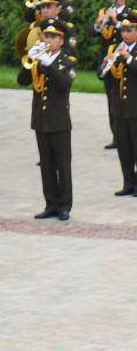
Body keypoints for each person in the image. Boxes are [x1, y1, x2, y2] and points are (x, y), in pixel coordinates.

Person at [18, 18, 76, 221]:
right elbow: (21, 81)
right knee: (47, 165)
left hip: (59, 121)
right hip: (41, 120)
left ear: (61, 40)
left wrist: (48, 64)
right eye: (46, 35)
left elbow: (64, 85)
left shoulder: (67, 62)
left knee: (62, 165)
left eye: (54, 36)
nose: (49, 39)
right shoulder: (38, 60)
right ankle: (50, 204)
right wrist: (29, 61)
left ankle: (64, 205)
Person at [97, 10, 137, 199]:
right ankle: (128, 182)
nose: (126, 33)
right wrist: (106, 63)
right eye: (124, 30)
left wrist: (128, 58)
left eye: (130, 30)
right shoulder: (113, 49)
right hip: (119, 107)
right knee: (124, 148)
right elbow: (101, 74)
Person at [92, 0, 131, 151]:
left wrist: (116, 21)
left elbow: (130, 33)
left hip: (123, 61)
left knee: (124, 98)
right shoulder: (104, 11)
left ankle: (127, 135)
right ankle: (116, 135)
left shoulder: (130, 14)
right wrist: (100, 23)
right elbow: (92, 33)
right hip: (107, 60)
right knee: (111, 99)